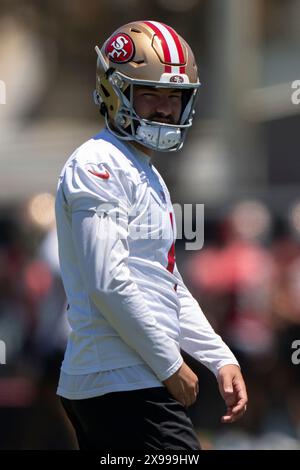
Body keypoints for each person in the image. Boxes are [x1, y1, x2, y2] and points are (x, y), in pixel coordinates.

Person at [55, 20, 248, 451]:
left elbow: (167, 284)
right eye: (150, 95)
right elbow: (108, 279)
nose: (165, 109)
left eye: (174, 97)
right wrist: (168, 365)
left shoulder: (144, 171)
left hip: (128, 377)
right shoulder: (97, 163)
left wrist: (219, 358)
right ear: (115, 92)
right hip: (122, 378)